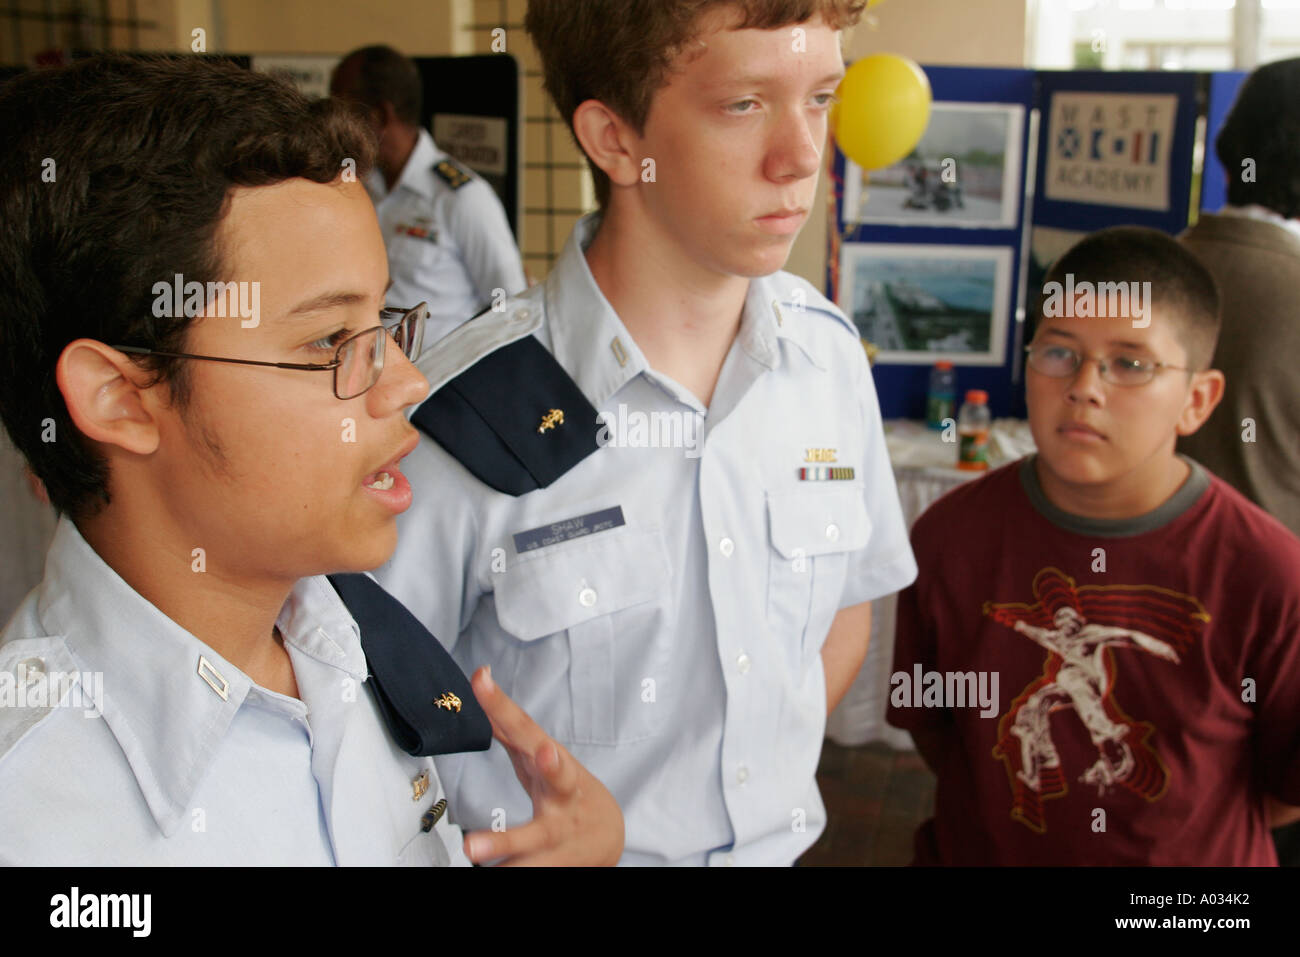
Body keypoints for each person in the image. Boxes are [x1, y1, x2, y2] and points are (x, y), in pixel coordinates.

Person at [0, 54, 621, 867]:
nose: (406, 382)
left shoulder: (352, 637)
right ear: (121, 396)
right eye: (330, 341)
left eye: (386, 320)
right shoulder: (37, 816)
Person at [377, 0, 915, 866]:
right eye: (744, 104)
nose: (803, 155)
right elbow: (357, 718)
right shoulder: (462, 417)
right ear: (617, 140)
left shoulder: (828, 363)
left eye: (820, 97)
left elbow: (846, 607)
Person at [888, 227, 1300, 865]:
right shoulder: (949, 538)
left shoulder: (1269, 574)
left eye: (1131, 364)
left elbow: (1281, 794)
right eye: (1058, 352)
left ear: (1197, 399)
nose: (1085, 386)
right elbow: (939, 731)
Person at [330, 45, 527, 343]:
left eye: (342, 112)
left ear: (380, 116)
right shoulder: (356, 186)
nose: (333, 127)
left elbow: (512, 309)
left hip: (438, 383)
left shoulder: (462, 198)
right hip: (363, 377)